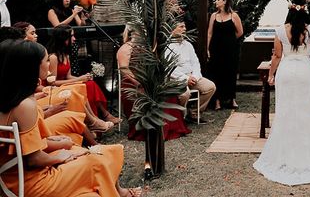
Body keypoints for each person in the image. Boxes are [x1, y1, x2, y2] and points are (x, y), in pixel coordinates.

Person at [0, 39, 142, 197]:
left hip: (15, 178)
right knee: (95, 162)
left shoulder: (12, 99)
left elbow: (27, 148)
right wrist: (61, 157)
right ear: (32, 66)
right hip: (33, 182)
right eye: (46, 60)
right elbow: (34, 160)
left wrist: (58, 145)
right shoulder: (25, 105)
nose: (49, 64)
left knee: (84, 153)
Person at [253, 0, 310, 185]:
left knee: (285, 111)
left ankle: (284, 150)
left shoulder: (280, 31)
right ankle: (305, 150)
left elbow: (277, 56)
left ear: (289, 11)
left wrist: (272, 75)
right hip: (305, 73)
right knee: (306, 111)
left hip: (287, 72)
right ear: (305, 11)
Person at [117, 26, 190, 141]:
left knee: (167, 94)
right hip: (132, 84)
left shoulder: (147, 47)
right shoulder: (125, 48)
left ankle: (170, 127)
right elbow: (124, 70)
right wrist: (139, 82)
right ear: (133, 33)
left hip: (148, 81)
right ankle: (149, 130)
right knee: (150, 97)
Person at [47, 25, 120, 125]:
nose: (74, 39)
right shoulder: (53, 57)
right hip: (57, 88)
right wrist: (78, 80)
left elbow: (68, 76)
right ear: (63, 38)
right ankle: (101, 117)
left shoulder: (66, 55)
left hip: (66, 83)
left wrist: (83, 78)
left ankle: (102, 115)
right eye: (71, 36)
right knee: (88, 85)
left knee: (90, 83)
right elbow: (53, 83)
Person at [167, 22, 215, 123]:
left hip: (192, 77)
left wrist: (195, 77)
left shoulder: (188, 45)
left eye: (185, 26)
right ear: (172, 30)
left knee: (210, 87)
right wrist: (186, 79)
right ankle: (179, 117)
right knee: (185, 94)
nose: (184, 29)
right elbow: (170, 69)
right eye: (181, 27)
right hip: (176, 79)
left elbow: (196, 63)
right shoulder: (168, 46)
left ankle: (193, 113)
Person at [206, 0, 243, 110]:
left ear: (225, 1)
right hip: (216, 49)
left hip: (230, 50)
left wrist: (230, 40)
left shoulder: (234, 15)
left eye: (218, 0)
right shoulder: (213, 16)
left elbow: (240, 32)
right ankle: (217, 101)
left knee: (230, 73)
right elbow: (209, 33)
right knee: (217, 73)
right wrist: (207, 48)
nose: (216, 1)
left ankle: (232, 99)